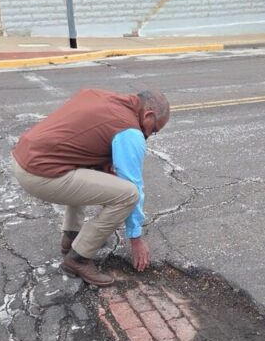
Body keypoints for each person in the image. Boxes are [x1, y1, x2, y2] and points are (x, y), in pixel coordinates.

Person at [11, 89, 170, 287]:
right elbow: (132, 183)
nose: (148, 136)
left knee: (87, 169)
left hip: (25, 158)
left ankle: (72, 236)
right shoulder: (129, 131)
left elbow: (84, 144)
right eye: (153, 130)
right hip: (38, 174)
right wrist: (136, 237)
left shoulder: (101, 96)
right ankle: (78, 259)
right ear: (148, 114)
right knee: (128, 195)